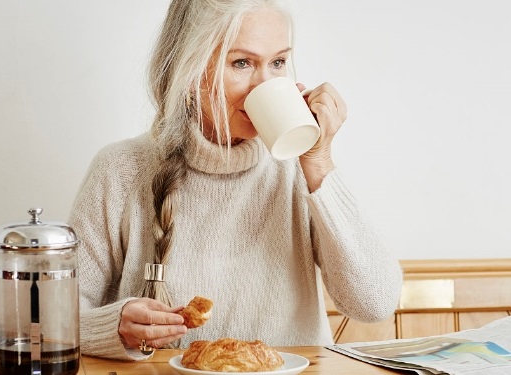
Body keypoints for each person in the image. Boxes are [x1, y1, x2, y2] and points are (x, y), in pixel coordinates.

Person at [68, 0, 403, 361]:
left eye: (277, 63)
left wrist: (318, 161)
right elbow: (47, 321)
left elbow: (375, 303)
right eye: (242, 63)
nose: (265, 84)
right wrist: (113, 326)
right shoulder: (121, 169)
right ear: (190, 71)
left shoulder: (297, 166)